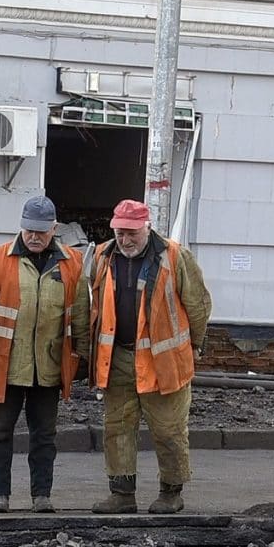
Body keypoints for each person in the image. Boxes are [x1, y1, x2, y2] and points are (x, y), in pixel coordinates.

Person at [0, 194, 91, 512]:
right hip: (5, 367)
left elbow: (80, 314)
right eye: (29, 229)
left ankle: (41, 496)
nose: (34, 236)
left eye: (41, 231)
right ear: (21, 227)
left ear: (54, 229)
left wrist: (81, 355)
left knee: (44, 437)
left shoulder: (71, 263)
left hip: (49, 368)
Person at [89, 198, 210, 514]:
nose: (125, 240)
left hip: (164, 362)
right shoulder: (103, 255)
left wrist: (194, 344)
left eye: (132, 233)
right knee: (117, 427)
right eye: (120, 233)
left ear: (147, 227)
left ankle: (171, 493)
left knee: (168, 429)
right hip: (117, 359)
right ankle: (122, 494)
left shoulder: (174, 255)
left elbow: (198, 304)